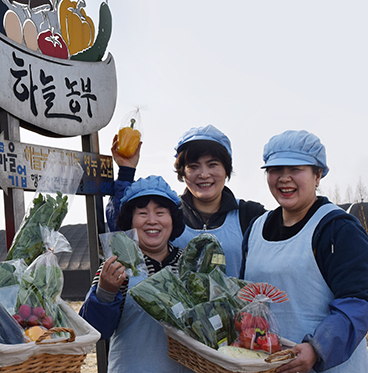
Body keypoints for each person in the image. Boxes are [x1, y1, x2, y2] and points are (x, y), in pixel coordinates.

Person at [241, 130, 368, 372]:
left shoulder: (337, 229)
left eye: (295, 169)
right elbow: (247, 299)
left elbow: (359, 302)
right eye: (275, 170)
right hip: (271, 365)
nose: (284, 178)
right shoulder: (256, 228)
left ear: (318, 174)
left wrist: (319, 348)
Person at [107, 124, 265, 277]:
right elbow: (123, 231)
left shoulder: (250, 215)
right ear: (182, 173)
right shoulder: (168, 213)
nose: (203, 174)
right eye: (193, 166)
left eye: (212, 165)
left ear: (226, 169)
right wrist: (126, 170)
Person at [80, 175, 193, 372]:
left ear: (172, 219)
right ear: (130, 221)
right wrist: (105, 292)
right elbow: (94, 330)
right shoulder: (115, 266)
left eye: (160, 212)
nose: (151, 221)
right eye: (142, 213)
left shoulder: (191, 264)